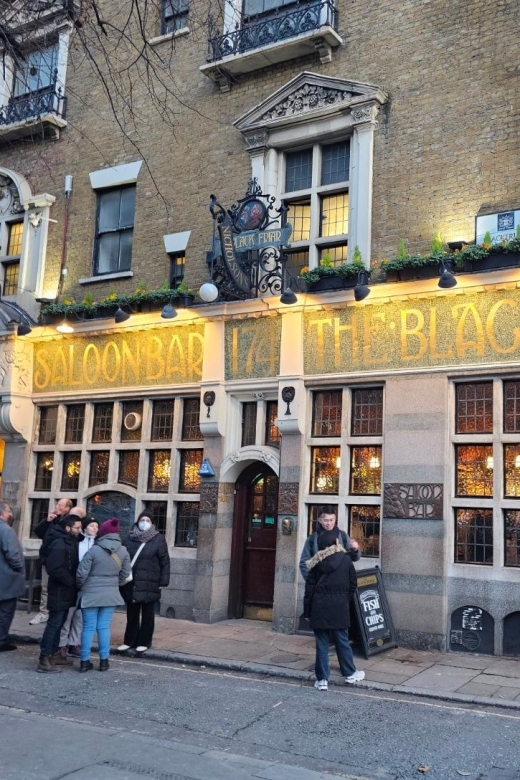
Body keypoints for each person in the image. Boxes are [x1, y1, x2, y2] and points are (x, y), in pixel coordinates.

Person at [304, 528, 365, 691]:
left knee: (322, 644)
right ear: (336, 542)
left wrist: (307, 612)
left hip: (319, 607)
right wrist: (344, 599)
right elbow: (353, 583)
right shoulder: (346, 560)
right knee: (342, 641)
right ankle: (350, 674)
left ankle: (322, 680)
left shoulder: (315, 563)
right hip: (340, 607)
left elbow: (309, 590)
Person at [76, 517, 131, 673]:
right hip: (111, 593)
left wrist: (81, 587)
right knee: (104, 627)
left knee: (88, 627)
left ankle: (84, 661)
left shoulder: (94, 549)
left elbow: (81, 574)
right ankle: (104, 661)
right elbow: (126, 573)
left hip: (91, 592)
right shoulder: (123, 550)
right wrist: (115, 583)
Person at [119, 510, 170, 655]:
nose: (145, 522)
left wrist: (163, 581)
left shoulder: (158, 539)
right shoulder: (129, 538)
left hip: (150, 581)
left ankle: (144, 642)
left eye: (148, 520)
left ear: (152, 523)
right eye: (143, 520)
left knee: (148, 614)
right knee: (132, 614)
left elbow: (164, 561)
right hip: (132, 581)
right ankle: (129, 641)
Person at [37, 515, 82, 673]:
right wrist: (71, 581)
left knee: (60, 622)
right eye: (77, 527)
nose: (79, 530)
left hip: (67, 590)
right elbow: (54, 568)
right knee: (54, 623)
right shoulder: (58, 543)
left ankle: (54, 654)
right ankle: (44, 658)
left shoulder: (69, 540)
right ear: (68, 528)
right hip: (60, 589)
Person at [58, 515, 98, 659]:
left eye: (97, 526)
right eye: (92, 526)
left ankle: (74, 643)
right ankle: (62, 644)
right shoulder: (76, 541)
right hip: (73, 582)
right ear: (84, 528)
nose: (95, 529)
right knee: (68, 615)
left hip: (87, 584)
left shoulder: (97, 544)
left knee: (80, 617)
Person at [30, 497, 74, 625]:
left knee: (57, 588)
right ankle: (44, 612)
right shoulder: (52, 520)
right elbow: (39, 533)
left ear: (67, 508)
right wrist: (46, 521)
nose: (57, 506)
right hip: (47, 559)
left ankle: (55, 612)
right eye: (57, 504)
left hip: (60, 561)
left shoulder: (68, 522)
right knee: (45, 587)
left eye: (60, 505)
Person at [299, 505, 360, 582]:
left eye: (331, 520)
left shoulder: (343, 536)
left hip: (339, 582)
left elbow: (354, 558)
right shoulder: (312, 539)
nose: (329, 523)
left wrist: (355, 550)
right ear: (320, 520)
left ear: (335, 519)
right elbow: (303, 563)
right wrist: (311, 581)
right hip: (320, 583)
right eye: (326, 520)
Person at [0, 501, 25, 652]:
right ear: (3, 512)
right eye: (9, 511)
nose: (11, 514)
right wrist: (19, 567)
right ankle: (1, 640)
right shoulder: (6, 530)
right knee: (5, 611)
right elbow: (13, 554)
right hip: (6, 578)